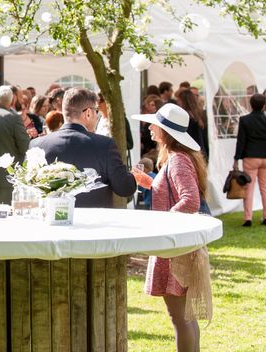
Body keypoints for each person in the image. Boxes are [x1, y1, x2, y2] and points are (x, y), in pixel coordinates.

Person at [131, 103, 208, 352]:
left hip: (175, 248)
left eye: (155, 124)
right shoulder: (177, 159)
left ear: (166, 131)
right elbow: (179, 194)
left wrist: (165, 221)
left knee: (180, 317)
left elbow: (191, 200)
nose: (150, 128)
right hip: (176, 245)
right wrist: (151, 183)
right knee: (184, 315)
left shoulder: (177, 161)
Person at [30, 88, 136, 208]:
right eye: (96, 111)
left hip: (52, 221)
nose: (97, 115)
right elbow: (124, 188)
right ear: (88, 113)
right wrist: (134, 176)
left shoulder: (37, 145)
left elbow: (28, 189)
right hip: (95, 222)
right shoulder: (105, 145)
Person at [233, 93, 266, 227]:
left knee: (249, 188)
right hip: (265, 158)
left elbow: (241, 141)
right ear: (264, 105)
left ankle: (248, 218)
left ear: (250, 104)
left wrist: (236, 159)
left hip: (250, 157)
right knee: (264, 188)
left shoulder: (245, 120)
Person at [175, 88, 208, 158]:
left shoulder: (186, 117)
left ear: (183, 101)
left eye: (178, 100)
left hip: (192, 153)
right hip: (200, 151)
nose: (177, 103)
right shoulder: (197, 114)